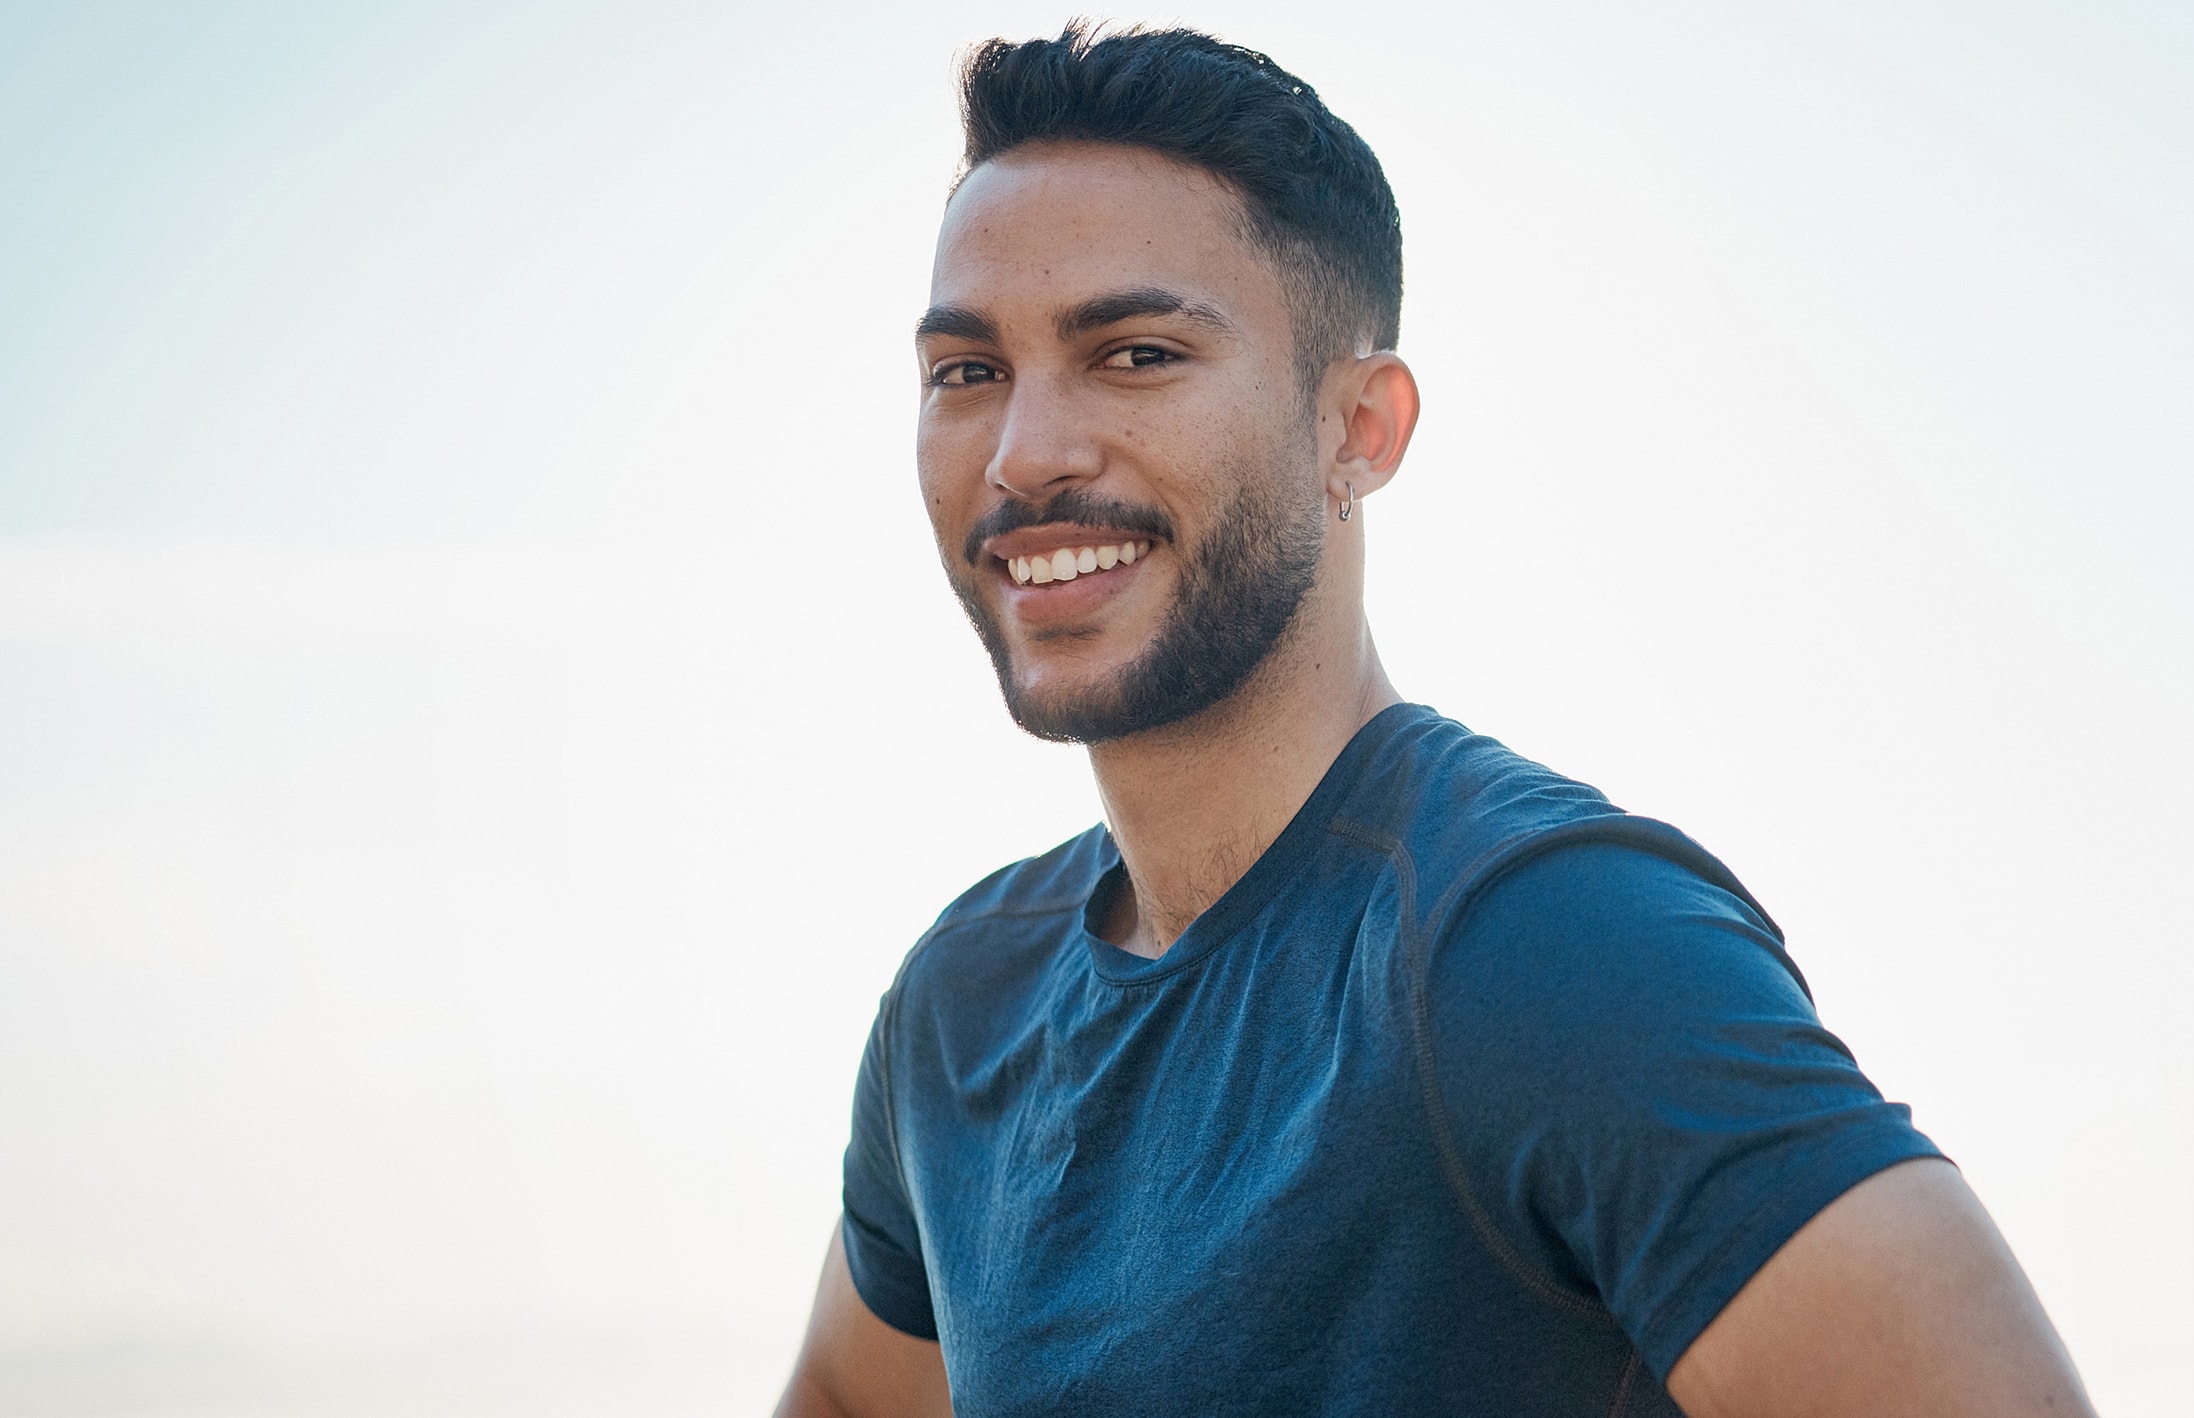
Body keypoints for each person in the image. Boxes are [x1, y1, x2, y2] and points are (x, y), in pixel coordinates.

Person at [777, 25, 2093, 1418]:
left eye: (1137, 352)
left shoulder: (1544, 941)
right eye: (967, 373)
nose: (1026, 450)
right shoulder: (961, 1009)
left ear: (1359, 429)